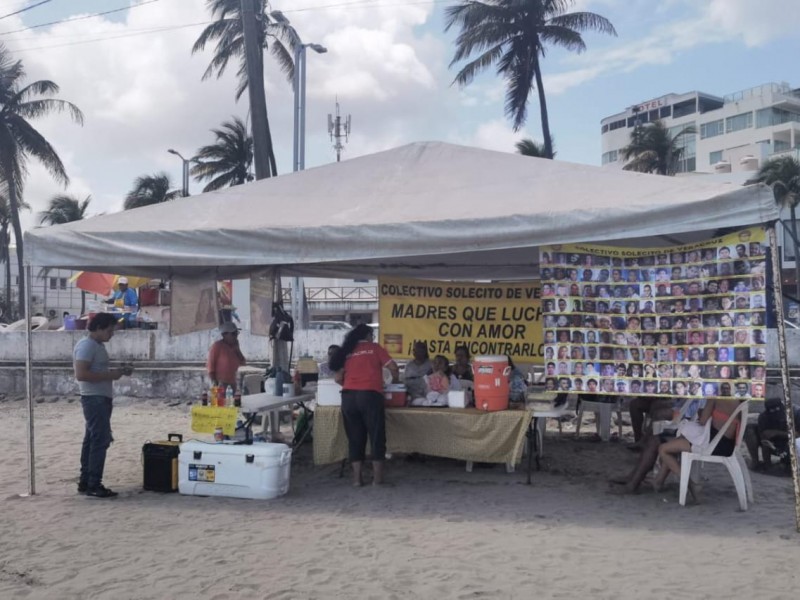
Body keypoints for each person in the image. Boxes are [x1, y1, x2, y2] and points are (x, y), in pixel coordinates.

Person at [330, 324, 399, 486]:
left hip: (348, 398)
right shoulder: (374, 348)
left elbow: (338, 379)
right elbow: (393, 367)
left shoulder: (346, 351)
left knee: (355, 438)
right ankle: (377, 480)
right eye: (372, 335)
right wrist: (394, 381)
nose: (373, 338)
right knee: (376, 436)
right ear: (368, 335)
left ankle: (357, 480)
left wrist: (352, 385)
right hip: (370, 395)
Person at [73, 313, 134, 498]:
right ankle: (93, 483)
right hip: (94, 399)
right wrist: (111, 375)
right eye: (109, 330)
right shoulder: (87, 345)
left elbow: (94, 370)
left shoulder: (95, 345)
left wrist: (116, 372)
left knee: (92, 439)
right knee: (100, 439)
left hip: (99, 398)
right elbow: (81, 374)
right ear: (98, 328)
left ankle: (86, 481)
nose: (111, 334)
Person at [653, 397, 743, 498]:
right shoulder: (738, 398)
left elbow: (703, 420)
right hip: (728, 443)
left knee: (663, 449)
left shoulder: (717, 397)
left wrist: (703, 411)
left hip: (714, 445)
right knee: (677, 441)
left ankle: (691, 485)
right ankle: (659, 481)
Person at [206, 322, 247, 391]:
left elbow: (243, 362)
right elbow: (210, 365)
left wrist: (237, 350)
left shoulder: (234, 346)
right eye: (233, 334)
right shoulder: (217, 346)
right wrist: (214, 382)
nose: (236, 336)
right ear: (224, 335)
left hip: (232, 382)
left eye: (236, 333)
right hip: (220, 382)